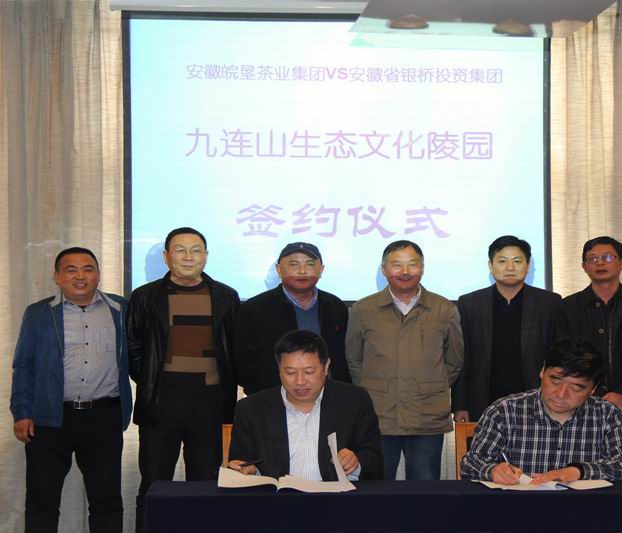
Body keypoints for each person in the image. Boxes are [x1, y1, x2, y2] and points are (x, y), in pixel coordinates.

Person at [10, 247, 132, 533]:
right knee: (42, 503)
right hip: (49, 419)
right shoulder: (39, 313)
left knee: (107, 503)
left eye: (88, 269)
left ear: (98, 274)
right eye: (71, 270)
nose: (80, 276)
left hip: (104, 418)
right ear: (57, 277)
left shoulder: (121, 310)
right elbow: (24, 366)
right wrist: (22, 412)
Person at [127, 227, 240, 532]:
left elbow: (234, 350)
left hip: (210, 407)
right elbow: (134, 351)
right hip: (160, 406)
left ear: (206, 256)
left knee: (206, 487)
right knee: (154, 485)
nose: (188, 257)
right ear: (166, 256)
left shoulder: (226, 297)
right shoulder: (145, 297)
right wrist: (154, 382)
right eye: (180, 250)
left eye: (196, 250)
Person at [346, 240, 463, 480]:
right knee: (375, 486)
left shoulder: (444, 309)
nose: (405, 271)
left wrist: (429, 385)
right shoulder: (363, 309)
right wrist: (375, 390)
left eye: (412, 264)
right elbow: (354, 360)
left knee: (424, 488)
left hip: (427, 417)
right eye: (397, 265)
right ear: (384, 269)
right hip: (378, 415)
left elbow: (454, 362)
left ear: (423, 268)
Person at [556, 236, 622, 478]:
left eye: (607, 257)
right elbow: (565, 358)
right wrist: (592, 396)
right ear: (584, 267)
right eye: (592, 259)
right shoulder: (569, 307)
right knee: (583, 481)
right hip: (582, 411)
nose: (600, 263)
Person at [460, 337, 622, 483]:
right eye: (555, 381)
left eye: (576, 387)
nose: (561, 394)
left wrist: (578, 471)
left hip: (584, 510)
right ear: (542, 371)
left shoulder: (608, 415)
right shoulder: (505, 412)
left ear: (593, 389)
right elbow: (471, 463)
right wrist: (492, 471)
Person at [228, 330, 382, 480]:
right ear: (279, 369)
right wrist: (249, 472)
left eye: (309, 371)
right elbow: (241, 464)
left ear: (326, 367)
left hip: (335, 495)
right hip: (277, 495)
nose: (300, 381)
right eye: (290, 372)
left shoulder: (354, 401)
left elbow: (375, 462)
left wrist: (355, 463)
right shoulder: (251, 409)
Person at [452, 235, 561, 423]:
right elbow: (462, 357)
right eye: (502, 261)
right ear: (490, 265)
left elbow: (558, 354)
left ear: (528, 266)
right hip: (482, 399)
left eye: (517, 261)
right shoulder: (469, 303)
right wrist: (460, 404)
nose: (510, 267)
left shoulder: (549, 303)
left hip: (537, 398)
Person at [234, 242, 350, 395]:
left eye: (310, 264)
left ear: (321, 270)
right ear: (278, 269)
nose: (302, 271)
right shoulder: (254, 308)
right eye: (294, 264)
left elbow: (345, 356)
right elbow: (241, 359)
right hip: (272, 398)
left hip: (329, 397)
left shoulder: (335, 306)